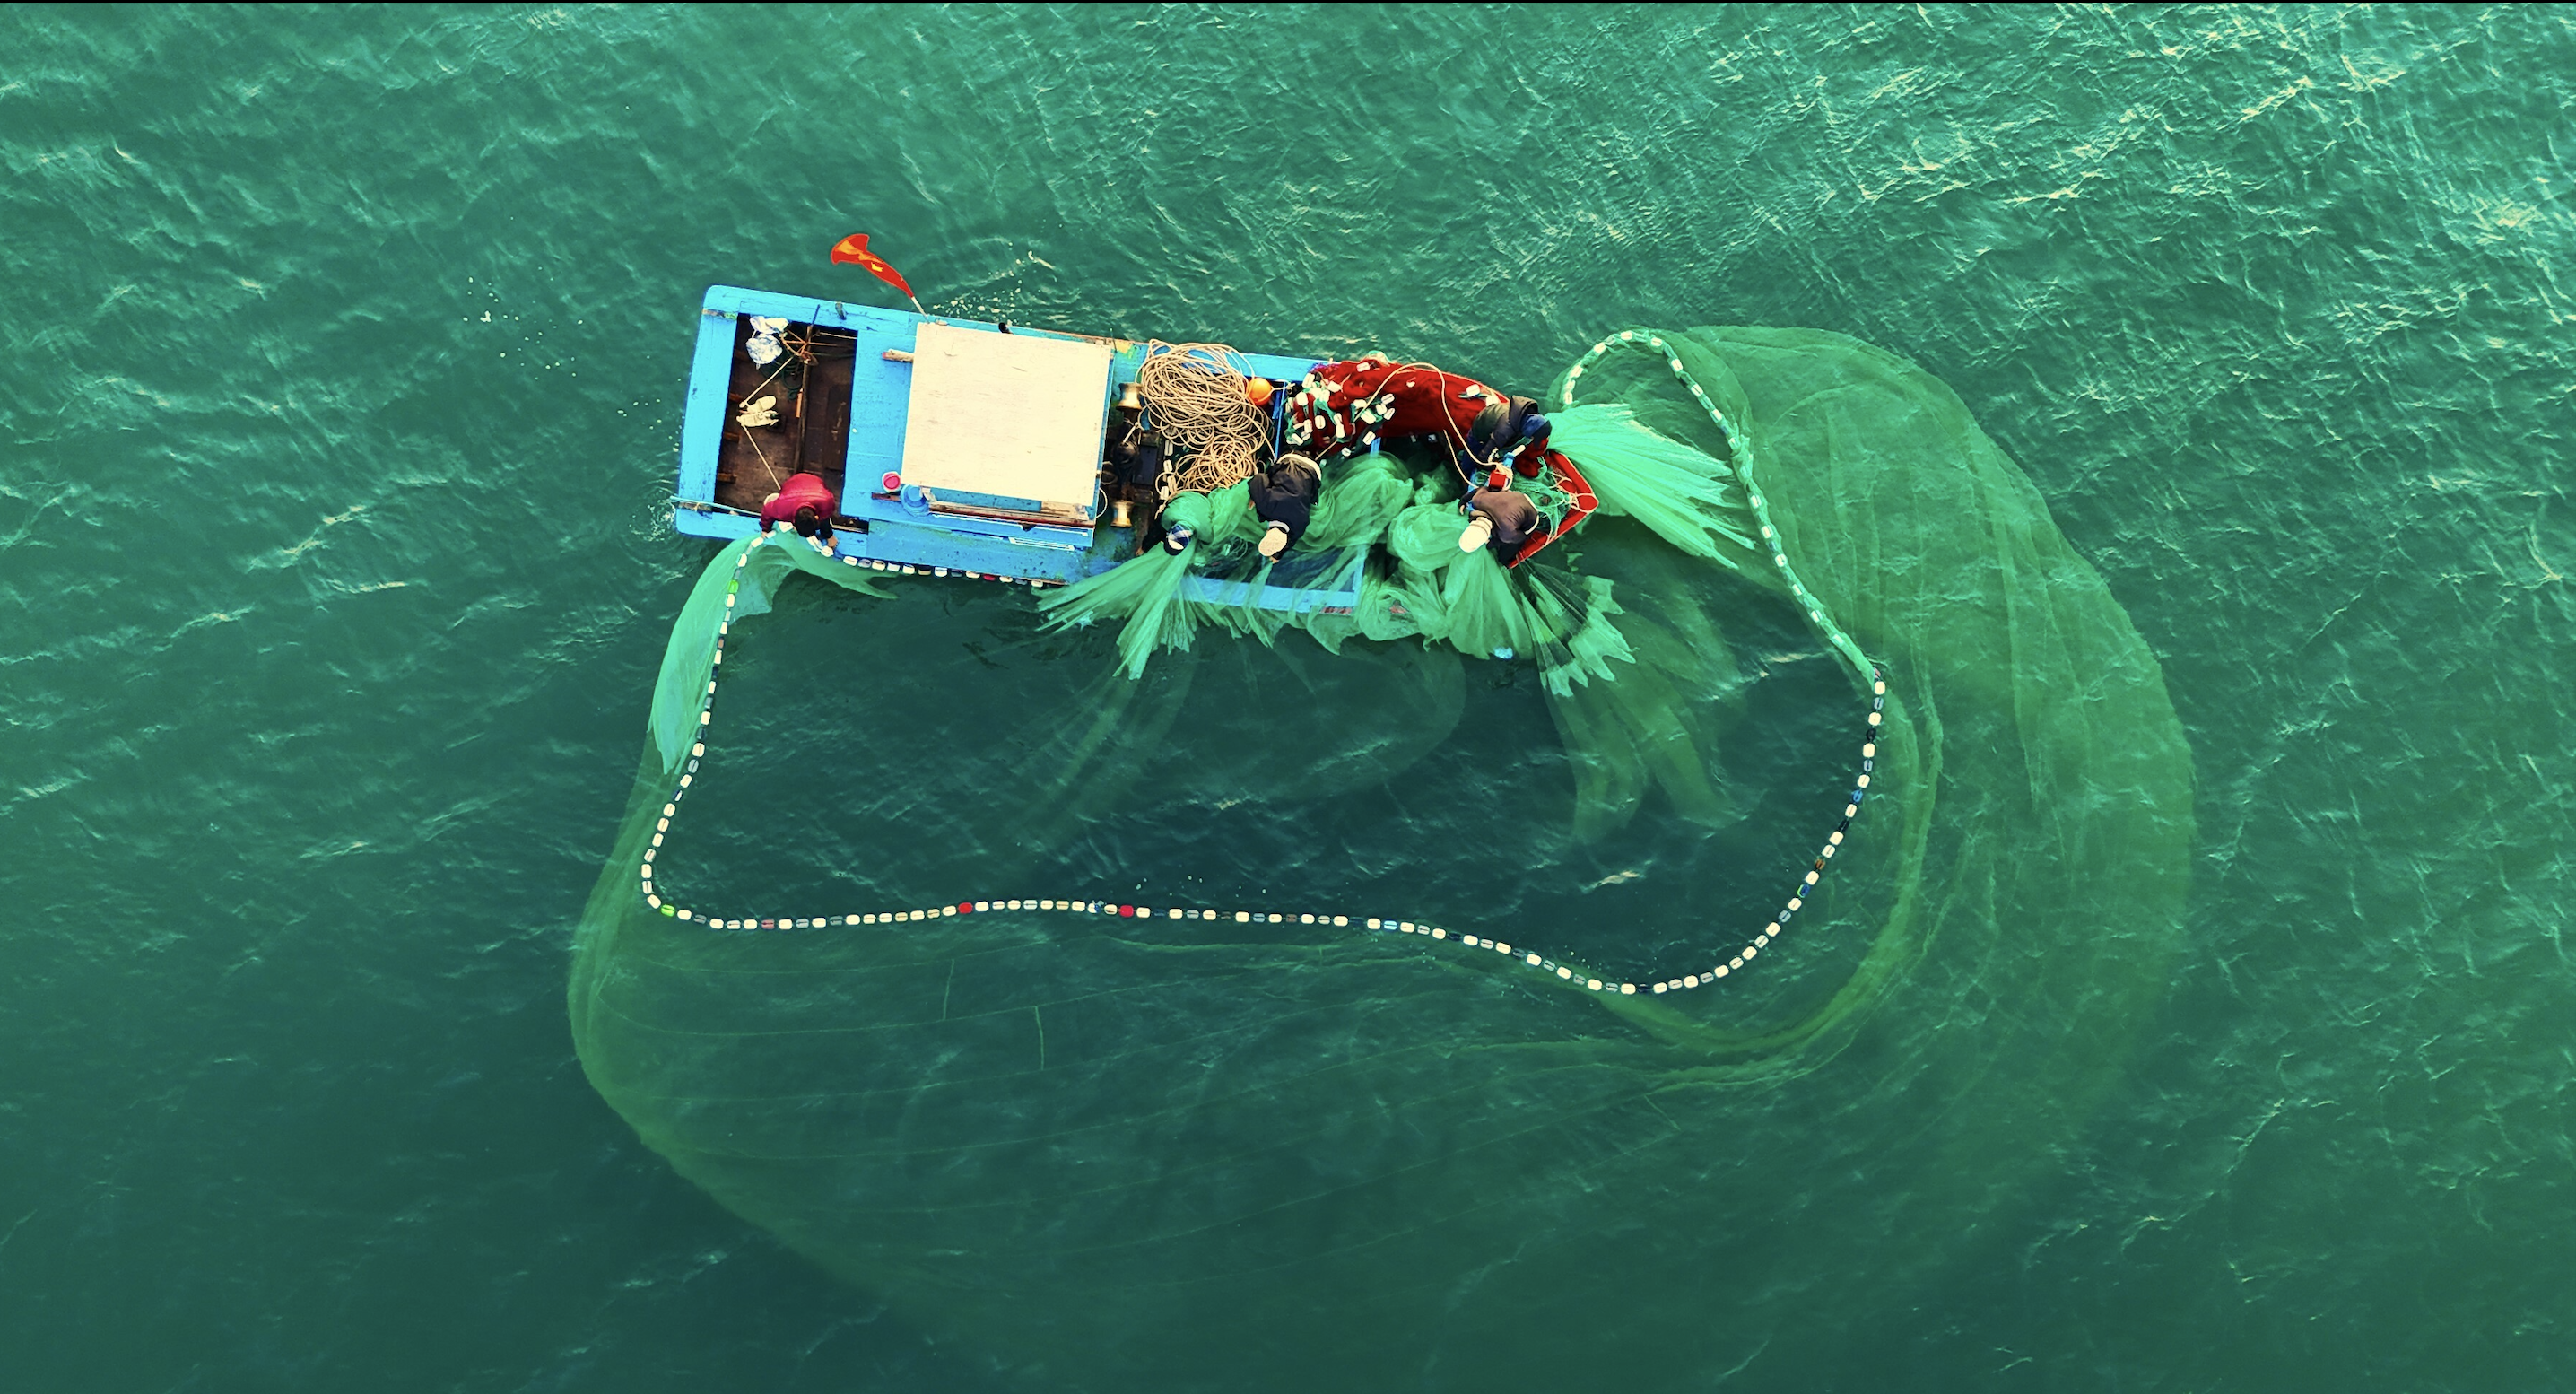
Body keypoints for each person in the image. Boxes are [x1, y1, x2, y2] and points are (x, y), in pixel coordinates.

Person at [1458, 469, 1552, 562]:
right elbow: (1479, 490)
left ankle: (1507, 560)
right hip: (1515, 496)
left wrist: (1495, 542)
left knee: (1508, 551)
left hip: (1530, 513)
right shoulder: (1478, 500)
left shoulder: (1506, 534)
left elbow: (1521, 537)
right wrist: (1463, 500)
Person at [1247, 452, 1322, 560]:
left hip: (1314, 470)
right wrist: (1255, 496)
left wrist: (1278, 555)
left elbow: (1293, 539)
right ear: (1267, 532)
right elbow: (1258, 478)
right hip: (1290, 459)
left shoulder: (1299, 526)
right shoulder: (1266, 506)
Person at [760, 471, 838, 553]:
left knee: (825, 518)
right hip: (792, 484)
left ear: (817, 517)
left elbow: (825, 517)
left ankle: (829, 537)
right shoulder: (782, 508)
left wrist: (828, 535)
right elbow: (767, 510)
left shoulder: (827, 502)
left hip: (815, 483)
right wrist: (765, 529)